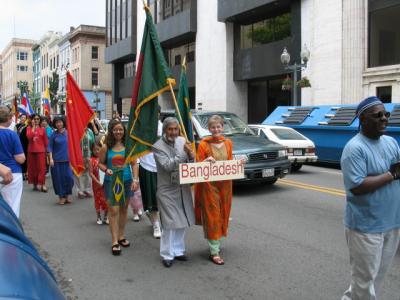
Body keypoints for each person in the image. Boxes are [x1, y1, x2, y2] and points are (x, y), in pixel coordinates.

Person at [340, 96, 400, 300]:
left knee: (375, 280)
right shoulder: (354, 148)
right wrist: (390, 175)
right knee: (363, 285)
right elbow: (357, 186)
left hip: (392, 224)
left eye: (386, 114)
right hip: (366, 228)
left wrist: (393, 174)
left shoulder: (391, 142)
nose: (384, 119)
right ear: (363, 119)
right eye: (378, 115)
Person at [153, 117, 195, 268]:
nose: (173, 132)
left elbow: (191, 164)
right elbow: (167, 166)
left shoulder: (183, 141)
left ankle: (178, 251)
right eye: (170, 129)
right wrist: (181, 154)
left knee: (182, 221)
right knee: (170, 223)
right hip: (167, 190)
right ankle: (167, 254)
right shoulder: (157, 146)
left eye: (175, 129)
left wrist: (190, 155)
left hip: (182, 188)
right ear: (165, 130)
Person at [195, 115, 234, 265]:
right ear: (209, 129)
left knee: (223, 212)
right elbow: (198, 164)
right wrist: (205, 161)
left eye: (218, 127)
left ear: (222, 127)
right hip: (209, 185)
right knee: (212, 215)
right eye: (213, 127)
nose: (216, 129)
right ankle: (214, 251)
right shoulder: (204, 144)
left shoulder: (228, 143)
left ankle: (217, 241)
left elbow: (230, 162)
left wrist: (239, 163)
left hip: (225, 185)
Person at [99, 119, 139, 255]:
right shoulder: (106, 147)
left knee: (123, 209)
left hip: (127, 181)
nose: (118, 132)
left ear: (124, 131)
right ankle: (114, 241)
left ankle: (121, 236)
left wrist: (135, 180)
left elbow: (134, 164)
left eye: (120, 129)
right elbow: (100, 163)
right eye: (115, 129)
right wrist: (106, 170)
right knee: (113, 211)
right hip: (112, 182)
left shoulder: (128, 146)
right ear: (111, 131)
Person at [138, 115, 162, 238]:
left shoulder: (164, 127)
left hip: (163, 168)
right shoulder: (142, 129)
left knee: (163, 199)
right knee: (151, 198)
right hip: (147, 166)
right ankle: (156, 224)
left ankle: (159, 220)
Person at [0, 106, 26, 217]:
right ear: (9, 118)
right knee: (12, 208)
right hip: (12, 173)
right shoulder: (12, 134)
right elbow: (21, 159)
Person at [47, 116, 74, 205]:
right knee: (58, 180)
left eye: (60, 122)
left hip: (68, 161)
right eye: (57, 122)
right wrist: (50, 159)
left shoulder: (68, 133)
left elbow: (73, 146)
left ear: (63, 122)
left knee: (69, 178)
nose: (59, 124)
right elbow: (49, 148)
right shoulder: (53, 135)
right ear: (54, 124)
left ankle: (67, 195)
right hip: (57, 161)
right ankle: (61, 197)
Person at [26, 114, 48, 192]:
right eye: (34, 119)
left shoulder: (43, 129)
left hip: (41, 151)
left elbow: (46, 141)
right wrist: (33, 128)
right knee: (33, 168)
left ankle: (43, 184)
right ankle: (35, 183)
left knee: (42, 168)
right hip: (31, 151)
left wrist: (47, 152)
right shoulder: (29, 128)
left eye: (38, 119)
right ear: (32, 120)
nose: (36, 120)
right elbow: (29, 137)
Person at [89, 142, 109, 224]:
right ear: (92, 151)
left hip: (106, 182)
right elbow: (90, 173)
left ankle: (106, 216)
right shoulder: (91, 160)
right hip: (96, 184)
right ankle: (98, 216)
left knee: (107, 199)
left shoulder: (105, 160)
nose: (97, 151)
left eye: (98, 149)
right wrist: (97, 182)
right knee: (97, 200)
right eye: (94, 150)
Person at [74, 127, 95, 198]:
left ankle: (87, 190)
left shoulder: (90, 131)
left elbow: (93, 143)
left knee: (88, 174)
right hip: (78, 156)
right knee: (78, 173)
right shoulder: (76, 131)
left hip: (88, 155)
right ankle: (80, 191)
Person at [16, 114, 28, 180]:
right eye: (22, 117)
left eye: (24, 118)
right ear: (20, 118)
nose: (23, 119)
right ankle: (20, 172)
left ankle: (25, 173)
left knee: (24, 158)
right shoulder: (16, 126)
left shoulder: (27, 127)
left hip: (24, 144)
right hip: (17, 144)